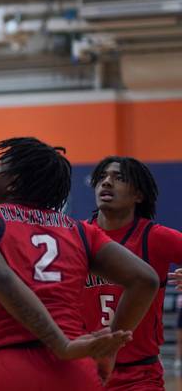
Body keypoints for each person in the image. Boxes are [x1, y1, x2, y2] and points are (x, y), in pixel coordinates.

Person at [0, 138, 160, 391]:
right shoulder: (81, 232)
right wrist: (110, 350)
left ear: (13, 182)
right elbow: (145, 279)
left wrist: (60, 344)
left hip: (9, 362)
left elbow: (3, 279)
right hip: (77, 369)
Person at [81, 156, 182, 389]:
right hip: (84, 370)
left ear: (138, 195)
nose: (106, 183)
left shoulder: (154, 237)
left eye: (118, 178)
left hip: (138, 375)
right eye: (102, 178)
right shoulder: (75, 236)